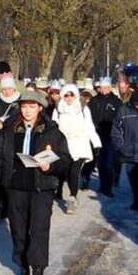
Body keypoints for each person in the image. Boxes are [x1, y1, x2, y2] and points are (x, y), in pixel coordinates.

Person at [0, 90, 71, 275]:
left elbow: (66, 160)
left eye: (32, 106)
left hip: (41, 188)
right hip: (15, 187)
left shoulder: (52, 132)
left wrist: (50, 166)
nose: (27, 111)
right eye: (24, 106)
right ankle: (23, 270)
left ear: (40, 108)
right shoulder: (9, 130)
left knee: (39, 231)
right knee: (19, 231)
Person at [52, 84, 101, 214]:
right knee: (64, 170)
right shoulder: (58, 108)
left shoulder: (83, 109)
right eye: (66, 95)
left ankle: (72, 199)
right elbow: (53, 127)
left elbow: (89, 126)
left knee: (74, 171)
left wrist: (96, 143)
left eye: (71, 95)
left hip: (80, 143)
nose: (69, 98)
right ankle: (59, 189)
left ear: (76, 95)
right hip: (63, 144)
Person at [89, 77, 123, 197]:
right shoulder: (93, 101)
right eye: (101, 88)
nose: (103, 90)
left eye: (105, 88)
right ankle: (102, 185)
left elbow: (119, 119)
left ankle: (107, 187)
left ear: (110, 88)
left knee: (109, 163)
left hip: (110, 136)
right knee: (100, 163)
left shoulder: (116, 102)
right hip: (97, 135)